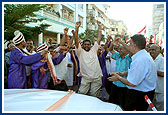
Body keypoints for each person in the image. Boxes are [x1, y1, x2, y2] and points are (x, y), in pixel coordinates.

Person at [108, 34, 157, 111]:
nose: (128, 46)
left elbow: (131, 83)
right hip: (141, 93)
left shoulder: (140, 60)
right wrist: (123, 74)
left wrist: (118, 77)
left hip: (139, 96)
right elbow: (136, 71)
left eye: (129, 44)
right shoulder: (142, 55)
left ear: (134, 45)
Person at [75, 21, 103, 97]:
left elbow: (99, 39)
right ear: (82, 45)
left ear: (91, 45)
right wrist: (77, 28)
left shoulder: (94, 50)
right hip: (85, 78)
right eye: (85, 44)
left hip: (97, 78)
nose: (87, 46)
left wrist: (100, 27)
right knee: (81, 95)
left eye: (88, 44)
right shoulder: (80, 52)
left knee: (94, 96)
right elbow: (76, 41)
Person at [106, 36, 132, 109]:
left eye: (121, 48)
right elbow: (110, 49)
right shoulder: (117, 56)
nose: (119, 50)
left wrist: (121, 42)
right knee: (112, 103)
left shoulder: (129, 58)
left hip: (124, 85)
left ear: (126, 50)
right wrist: (112, 43)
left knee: (123, 105)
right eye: (119, 48)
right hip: (115, 84)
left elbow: (131, 70)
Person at [149, 44, 164, 111]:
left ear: (159, 51)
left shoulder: (162, 60)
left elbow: (163, 73)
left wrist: (152, 70)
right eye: (150, 49)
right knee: (151, 107)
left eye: (153, 50)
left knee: (160, 108)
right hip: (151, 89)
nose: (151, 51)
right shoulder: (149, 59)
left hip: (160, 89)